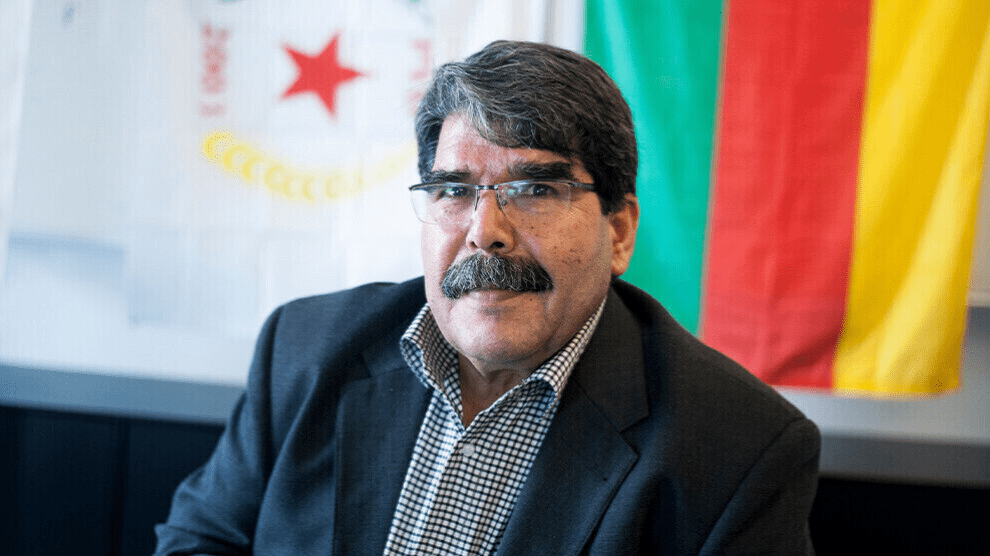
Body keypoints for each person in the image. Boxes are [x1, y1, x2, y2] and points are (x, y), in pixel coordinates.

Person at [155, 40, 820, 555]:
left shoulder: (738, 450)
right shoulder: (304, 348)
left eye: (535, 190)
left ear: (618, 232)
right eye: (454, 189)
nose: (485, 232)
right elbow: (200, 540)